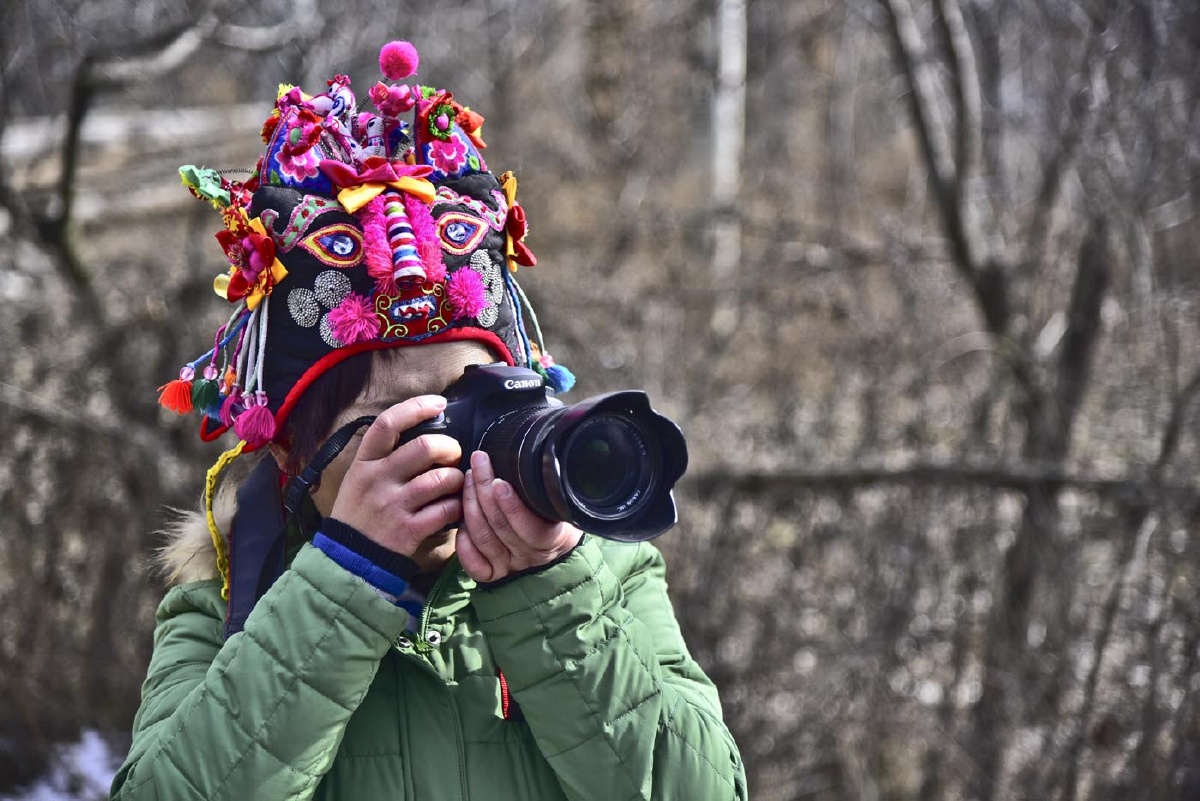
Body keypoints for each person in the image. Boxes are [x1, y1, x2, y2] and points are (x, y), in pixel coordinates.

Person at [111, 40, 747, 801]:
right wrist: (343, 588)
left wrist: (546, 593)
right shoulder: (225, 604)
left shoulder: (603, 576)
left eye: (473, 398)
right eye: (398, 417)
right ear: (292, 447)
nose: (448, 439)